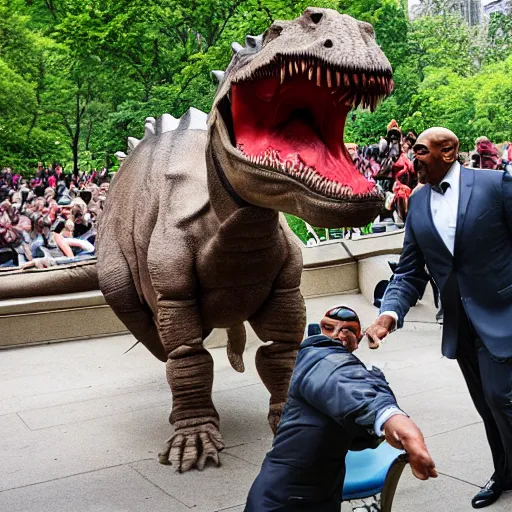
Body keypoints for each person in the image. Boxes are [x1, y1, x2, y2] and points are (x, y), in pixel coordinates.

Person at [365, 127, 512, 509]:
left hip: (504, 313)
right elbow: (411, 271)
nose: (412, 159)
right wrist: (388, 315)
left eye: (420, 151)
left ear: (448, 151)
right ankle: (505, 472)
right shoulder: (416, 202)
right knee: (486, 405)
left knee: (502, 398)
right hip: (461, 326)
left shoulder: (496, 185)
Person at [245, 305, 437, 511]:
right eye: (329, 327)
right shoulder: (319, 358)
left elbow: (357, 422)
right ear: (319, 330)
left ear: (358, 338)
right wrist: (390, 416)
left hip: (314, 495)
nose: (338, 335)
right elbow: (345, 383)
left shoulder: (341, 365)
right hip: (284, 501)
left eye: (348, 331)